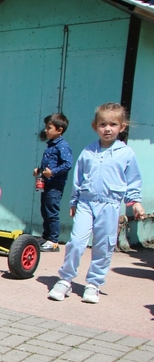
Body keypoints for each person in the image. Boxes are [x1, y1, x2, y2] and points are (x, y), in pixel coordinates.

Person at [48, 103, 144, 304]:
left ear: (122, 127)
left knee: (104, 245)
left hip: (110, 205)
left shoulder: (126, 153)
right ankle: (65, 279)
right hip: (86, 203)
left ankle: (93, 284)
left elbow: (133, 179)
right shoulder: (88, 151)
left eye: (113, 124)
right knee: (76, 241)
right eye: (102, 124)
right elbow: (78, 178)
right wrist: (74, 201)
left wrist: (134, 202)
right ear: (95, 126)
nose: (107, 129)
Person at [33, 113, 73, 252]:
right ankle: (46, 236)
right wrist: (40, 170)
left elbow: (68, 164)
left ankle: (54, 241)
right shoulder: (51, 145)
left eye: (49, 127)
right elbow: (49, 163)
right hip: (46, 184)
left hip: (55, 185)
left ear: (59, 130)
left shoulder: (62, 146)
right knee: (45, 210)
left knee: (52, 212)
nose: (45, 130)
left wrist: (53, 172)